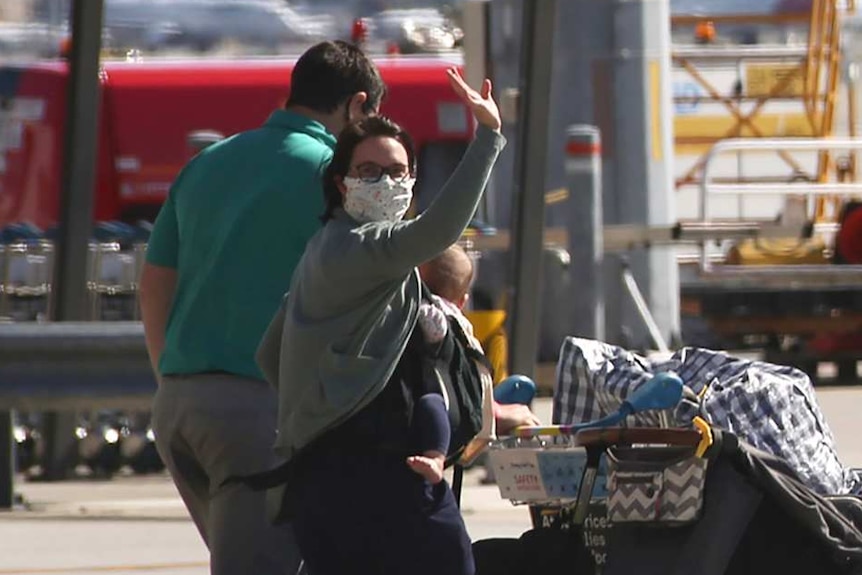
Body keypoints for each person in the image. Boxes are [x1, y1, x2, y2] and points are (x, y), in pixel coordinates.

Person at [138, 40, 386, 575]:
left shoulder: (208, 162)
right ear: (357, 105)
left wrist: (173, 378)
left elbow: (155, 281)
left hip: (180, 406)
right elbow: (377, 281)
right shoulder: (333, 176)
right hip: (257, 413)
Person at [256, 68, 504, 575]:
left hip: (328, 469)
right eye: (368, 172)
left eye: (397, 171)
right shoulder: (362, 248)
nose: (386, 182)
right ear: (341, 183)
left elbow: (271, 350)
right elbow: (439, 229)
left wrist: (321, 395)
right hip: (368, 471)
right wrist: (488, 137)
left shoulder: (323, 250)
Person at [418, 244, 540, 435]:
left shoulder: (399, 315)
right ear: (462, 302)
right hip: (442, 425)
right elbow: (478, 406)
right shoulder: (458, 333)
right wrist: (505, 414)